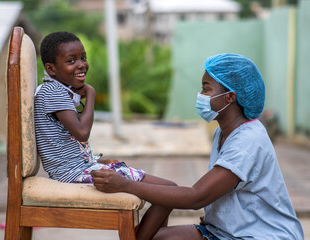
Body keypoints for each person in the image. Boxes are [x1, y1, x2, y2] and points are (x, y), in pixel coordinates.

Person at [91, 53, 304, 240]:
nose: (200, 95)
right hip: (227, 231)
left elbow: (196, 196)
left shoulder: (248, 142)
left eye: (206, 89)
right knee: (152, 236)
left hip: (261, 235)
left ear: (230, 97)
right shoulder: (224, 131)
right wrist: (218, 216)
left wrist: (126, 185)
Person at [34, 31, 176, 239]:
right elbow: (82, 133)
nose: (81, 64)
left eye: (83, 58)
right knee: (169, 192)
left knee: (167, 191)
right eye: (71, 61)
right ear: (51, 69)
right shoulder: (53, 92)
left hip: (79, 169)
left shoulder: (55, 90)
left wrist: (97, 161)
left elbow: (67, 141)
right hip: (73, 176)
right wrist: (90, 93)